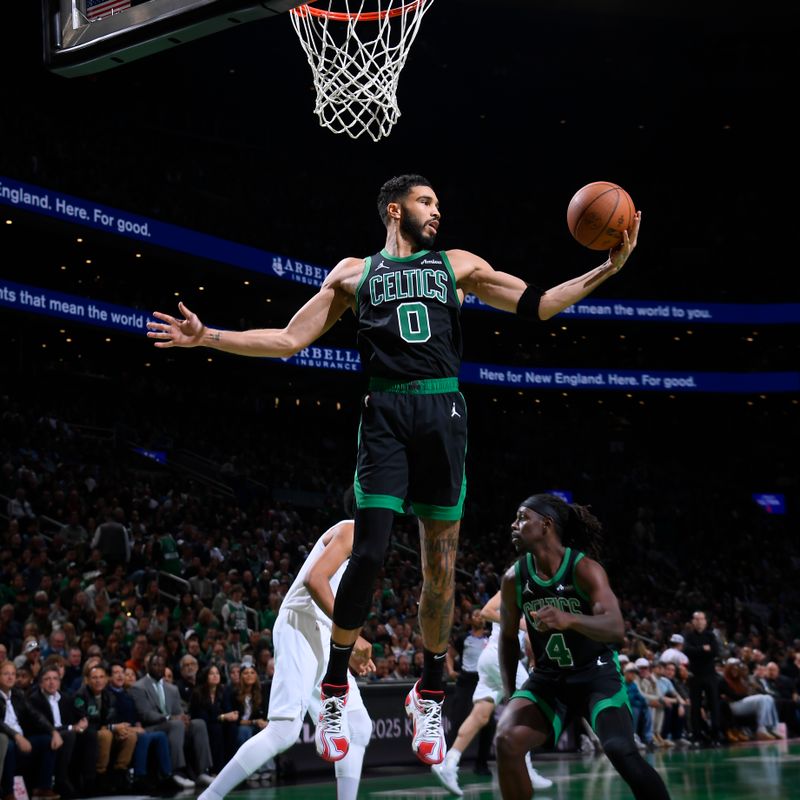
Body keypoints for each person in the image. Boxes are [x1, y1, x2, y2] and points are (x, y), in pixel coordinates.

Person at [148, 174, 642, 765]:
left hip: (444, 413)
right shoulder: (353, 273)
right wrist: (210, 337)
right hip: (384, 413)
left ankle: (428, 692)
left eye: (438, 202)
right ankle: (334, 685)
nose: (438, 210)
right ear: (394, 208)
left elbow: (537, 304)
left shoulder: (457, 264)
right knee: (372, 551)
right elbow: (287, 338)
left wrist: (608, 269)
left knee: (440, 571)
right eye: (427, 201)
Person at [197, 487, 373, 800]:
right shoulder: (352, 529)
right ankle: (209, 797)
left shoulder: (366, 544)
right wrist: (352, 633)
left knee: (358, 726)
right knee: (284, 730)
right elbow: (314, 581)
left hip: (324, 634)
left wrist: (349, 646)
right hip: (300, 624)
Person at [493, 493, 671, 800]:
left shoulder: (585, 569)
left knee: (619, 749)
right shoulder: (514, 578)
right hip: (549, 679)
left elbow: (616, 629)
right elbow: (508, 639)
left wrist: (569, 619)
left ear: (546, 525)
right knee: (506, 740)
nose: (514, 525)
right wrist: (511, 696)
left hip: (596, 675)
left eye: (522, 518)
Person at [432, 589, 552, 797]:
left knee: (480, 715)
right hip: (500, 656)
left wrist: (534, 657)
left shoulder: (533, 595)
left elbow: (528, 639)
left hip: (493, 658)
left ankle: (448, 764)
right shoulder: (512, 586)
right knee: (532, 706)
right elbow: (487, 611)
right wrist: (521, 624)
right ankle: (526, 770)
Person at [683, 610, 722, 746]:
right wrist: (703, 649)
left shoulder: (711, 635)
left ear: (705, 621)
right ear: (693, 622)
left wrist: (698, 651)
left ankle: (715, 735)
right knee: (695, 707)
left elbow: (715, 651)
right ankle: (697, 736)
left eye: (701, 619)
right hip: (695, 675)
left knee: (714, 705)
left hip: (710, 675)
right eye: (696, 619)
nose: (699, 622)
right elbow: (687, 651)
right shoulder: (688, 636)